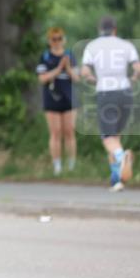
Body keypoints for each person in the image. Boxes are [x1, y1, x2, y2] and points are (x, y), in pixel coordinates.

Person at [81, 16, 140, 192]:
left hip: (106, 93)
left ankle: (122, 158)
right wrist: (134, 78)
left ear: (100, 29)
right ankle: (117, 179)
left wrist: (93, 79)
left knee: (108, 137)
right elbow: (138, 68)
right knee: (116, 136)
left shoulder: (92, 46)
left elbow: (85, 71)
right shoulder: (126, 45)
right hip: (125, 93)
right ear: (115, 29)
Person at [36, 27, 80, 175]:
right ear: (49, 41)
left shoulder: (70, 56)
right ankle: (57, 166)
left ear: (64, 40)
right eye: (54, 39)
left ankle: (72, 166)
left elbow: (77, 78)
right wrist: (58, 68)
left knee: (69, 132)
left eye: (59, 38)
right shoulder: (45, 57)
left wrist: (67, 68)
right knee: (55, 132)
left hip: (69, 99)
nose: (57, 42)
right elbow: (42, 79)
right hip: (52, 98)